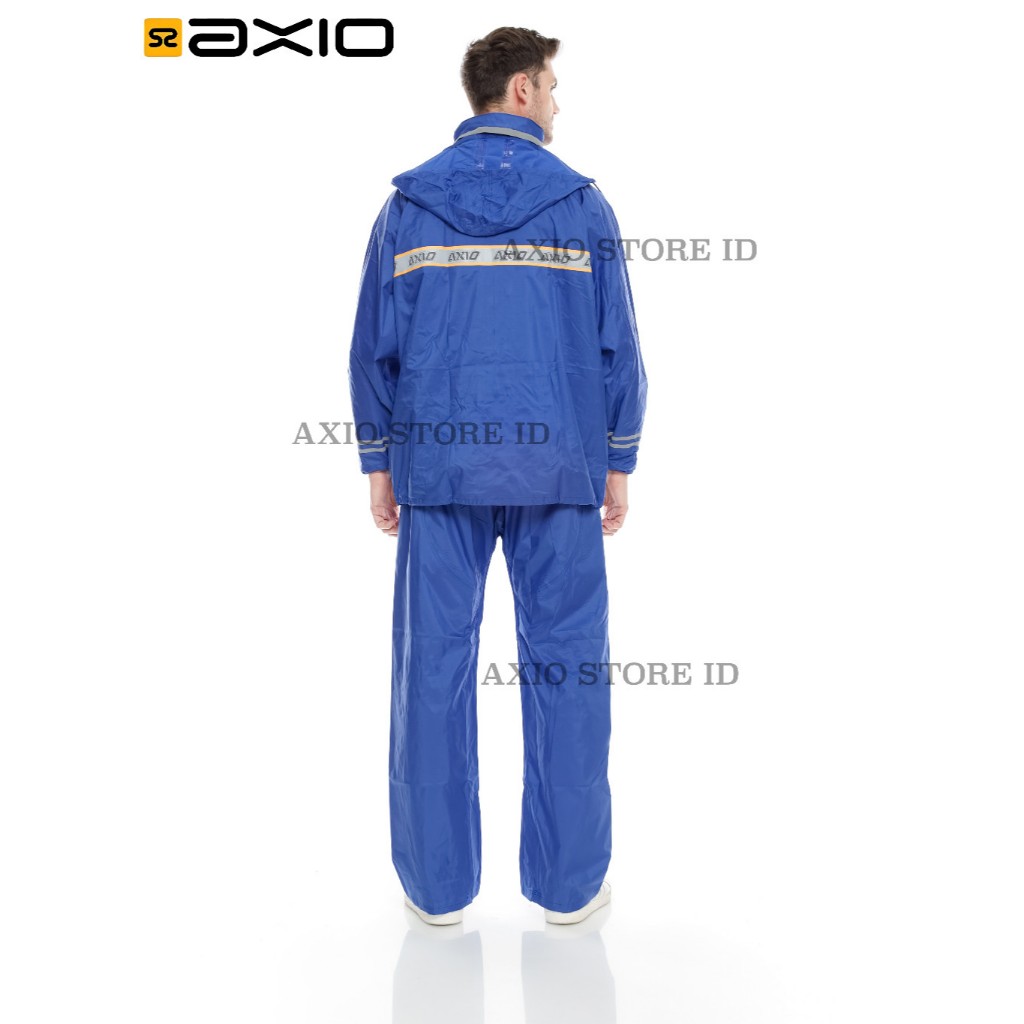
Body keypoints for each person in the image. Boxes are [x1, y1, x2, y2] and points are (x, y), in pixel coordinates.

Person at [348, 26, 647, 927]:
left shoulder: (407, 208)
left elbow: (372, 348)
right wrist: (619, 458)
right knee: (569, 673)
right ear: (521, 89)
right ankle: (570, 889)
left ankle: (434, 890)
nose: (556, 103)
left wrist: (378, 464)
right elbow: (619, 346)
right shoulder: (581, 205)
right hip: (560, 465)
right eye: (551, 86)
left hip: (438, 469)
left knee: (430, 673)